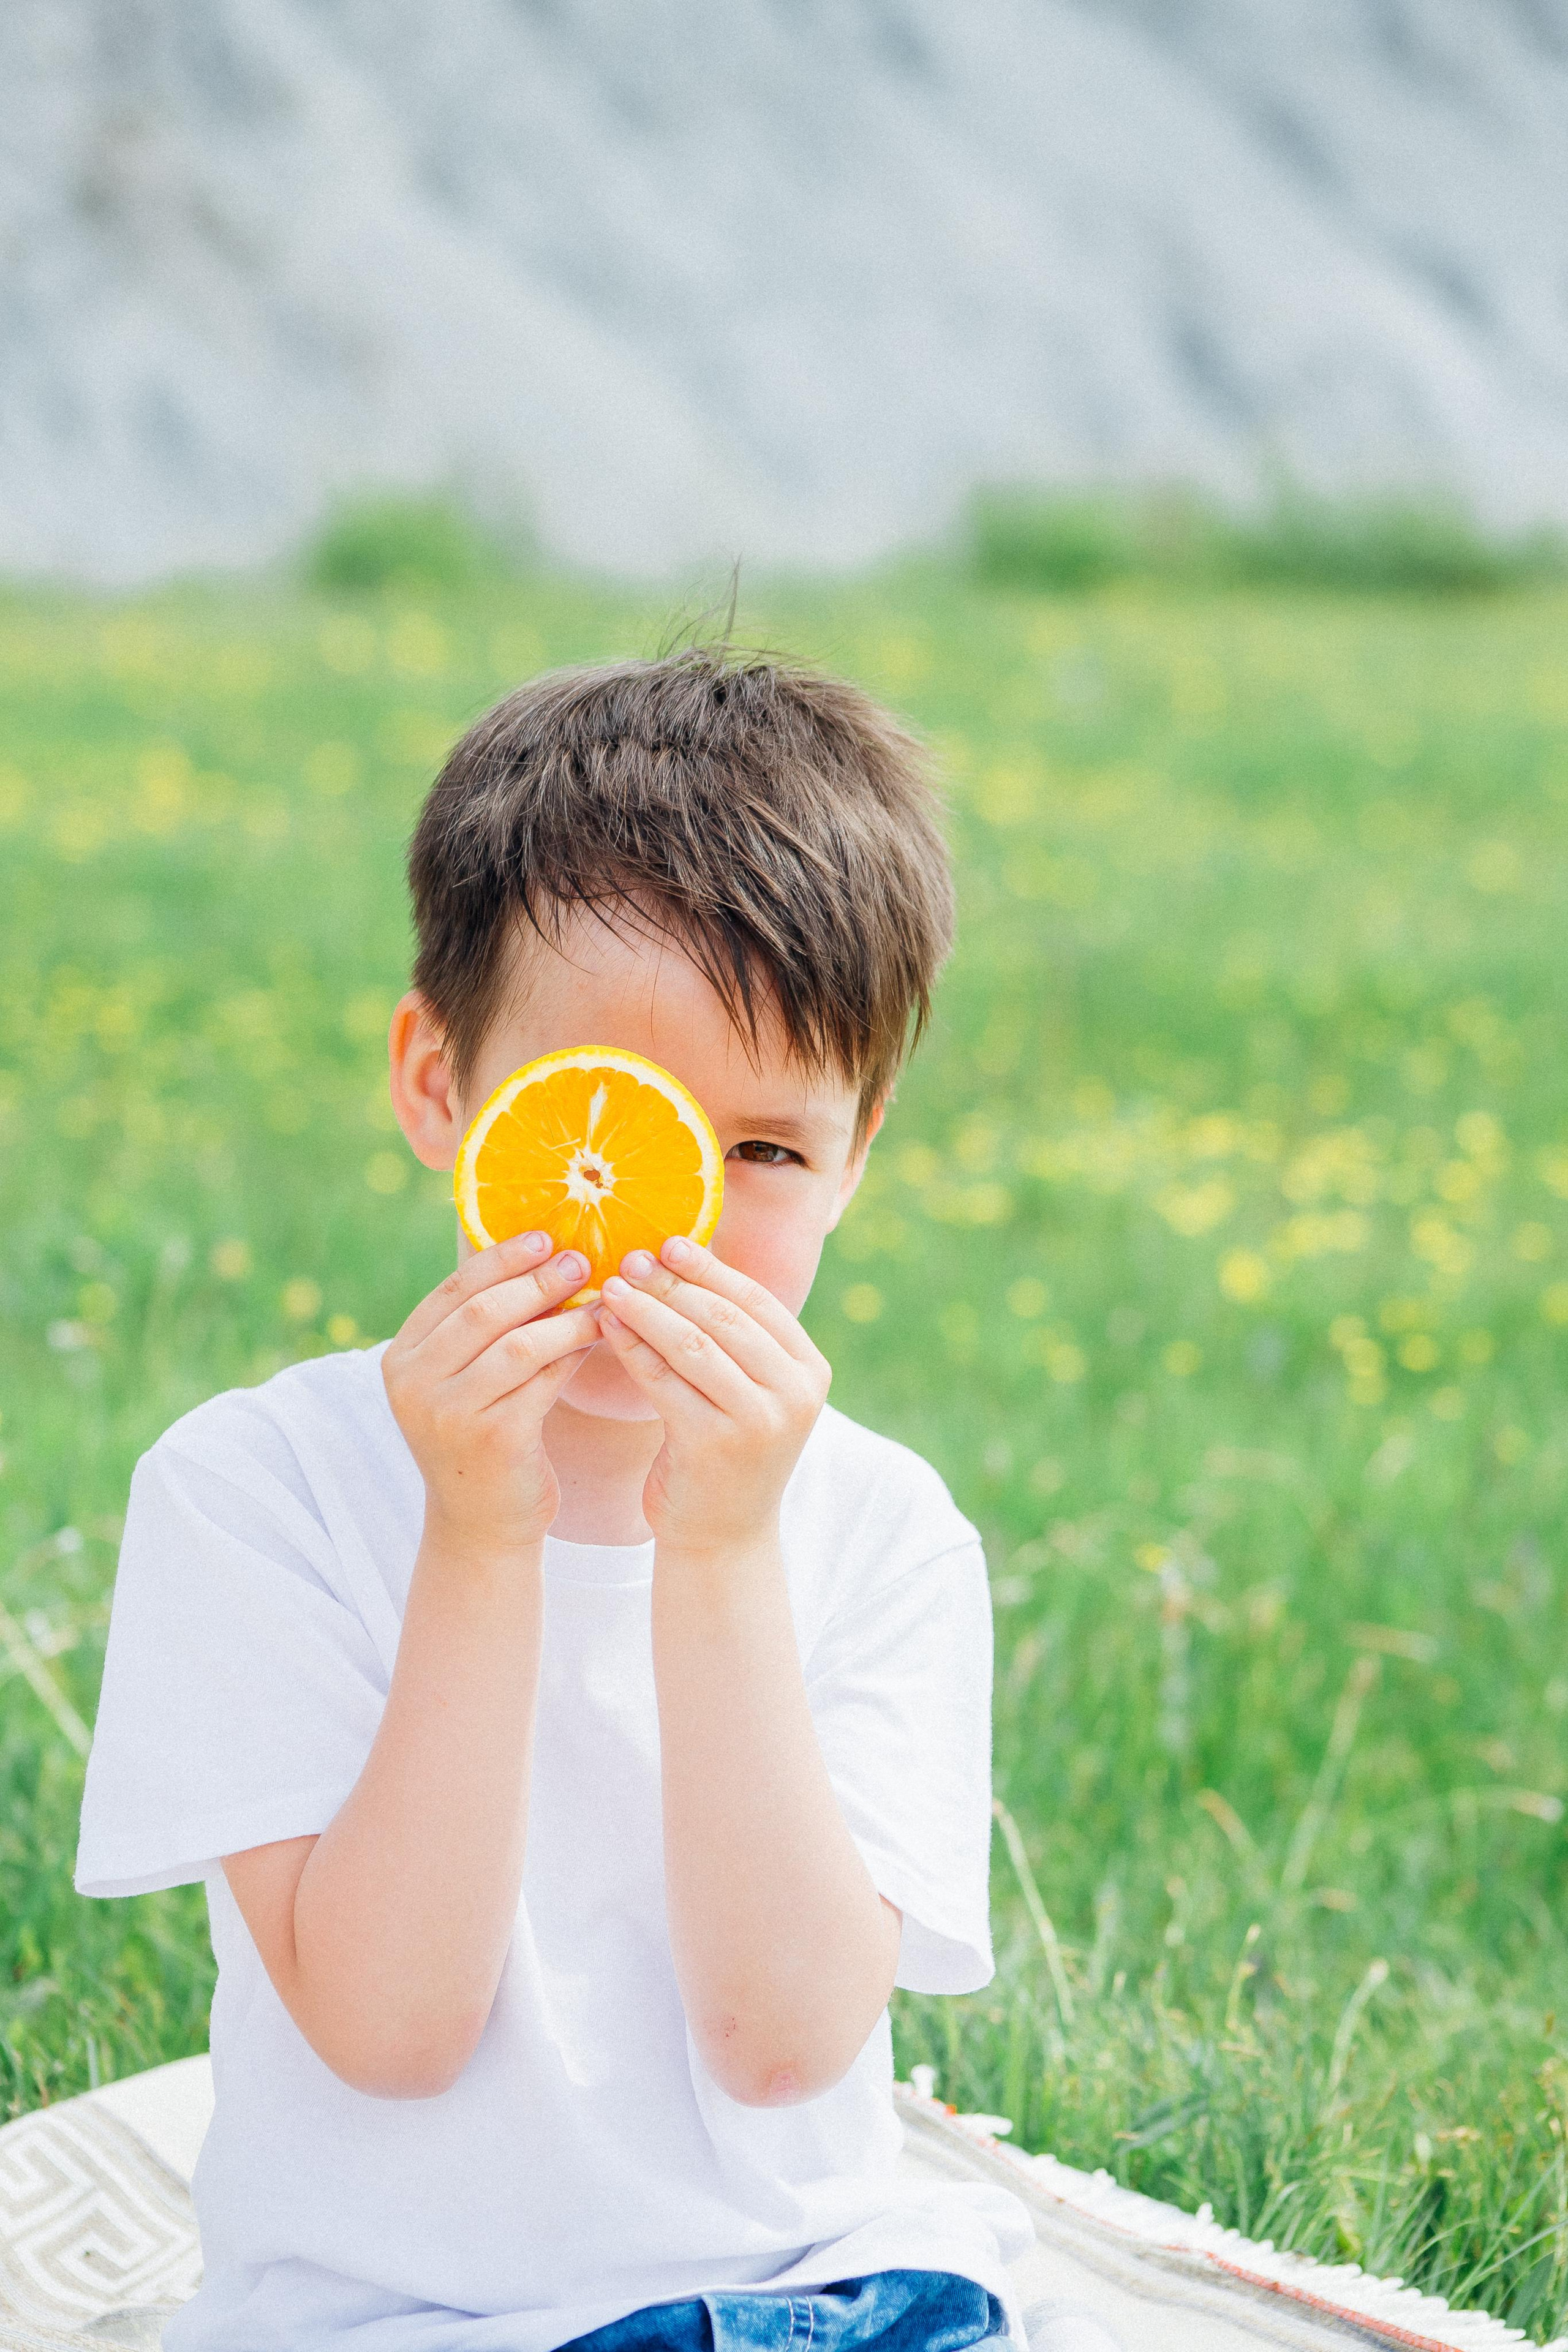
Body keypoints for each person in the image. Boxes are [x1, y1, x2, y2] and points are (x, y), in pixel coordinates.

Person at [75, 648, 1084, 2352]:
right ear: (440, 1088)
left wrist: (720, 1550)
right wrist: (480, 1538)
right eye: (599, 1136)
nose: (664, 1227)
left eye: (761, 1155)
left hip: (809, 2303)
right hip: (390, 2320)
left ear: (860, 1150)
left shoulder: (882, 1533)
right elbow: (390, 2026)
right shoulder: (251, 1498)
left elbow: (783, 2043)